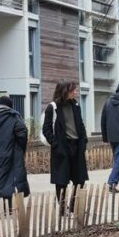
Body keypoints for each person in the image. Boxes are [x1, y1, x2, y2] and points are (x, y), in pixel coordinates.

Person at [43, 82, 89, 213]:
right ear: (64, 91)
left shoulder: (76, 105)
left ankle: (74, 207)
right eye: (72, 90)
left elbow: (81, 125)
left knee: (79, 179)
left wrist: (84, 141)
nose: (75, 92)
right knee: (61, 180)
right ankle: (63, 209)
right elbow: (46, 129)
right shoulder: (52, 108)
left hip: (77, 146)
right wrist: (56, 144)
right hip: (62, 148)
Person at [0, 96, 29, 211]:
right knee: (9, 179)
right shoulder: (13, 116)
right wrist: (20, 148)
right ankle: (8, 207)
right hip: (10, 152)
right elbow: (22, 133)